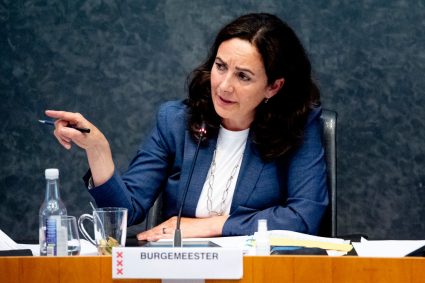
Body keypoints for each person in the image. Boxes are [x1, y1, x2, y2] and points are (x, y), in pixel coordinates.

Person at [46, 13, 328, 241]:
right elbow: (125, 212)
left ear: (273, 87)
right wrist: (98, 149)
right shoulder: (176, 121)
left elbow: (303, 217)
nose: (224, 85)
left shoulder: (298, 126)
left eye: (243, 76)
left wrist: (212, 225)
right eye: (220, 66)